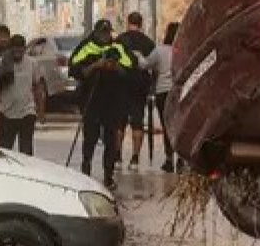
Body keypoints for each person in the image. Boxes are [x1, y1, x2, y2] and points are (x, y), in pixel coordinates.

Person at [69, 19, 136, 190]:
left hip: (112, 101)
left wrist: (115, 67)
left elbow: (131, 68)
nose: (106, 36)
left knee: (110, 140)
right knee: (90, 138)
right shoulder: (86, 47)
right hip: (91, 100)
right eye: (102, 33)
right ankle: (86, 170)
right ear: (96, 32)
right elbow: (74, 69)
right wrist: (95, 66)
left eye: (108, 33)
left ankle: (108, 175)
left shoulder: (118, 47)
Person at [0, 34, 45, 155]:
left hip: (27, 112)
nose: (17, 52)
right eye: (14, 49)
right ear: (10, 49)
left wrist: (41, 110)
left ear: (24, 49)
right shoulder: (1, 64)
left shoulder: (32, 63)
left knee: (26, 151)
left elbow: (37, 87)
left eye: (20, 49)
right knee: (5, 151)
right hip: (7, 113)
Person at [116, 12, 156, 170]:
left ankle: (117, 157)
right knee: (137, 123)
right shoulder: (148, 43)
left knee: (119, 123)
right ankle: (135, 158)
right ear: (141, 23)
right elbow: (153, 67)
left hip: (121, 86)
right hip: (140, 87)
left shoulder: (120, 40)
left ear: (128, 22)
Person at [144, 21, 182, 173]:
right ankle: (181, 158)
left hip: (162, 92)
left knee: (167, 126)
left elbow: (145, 64)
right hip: (179, 92)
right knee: (179, 125)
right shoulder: (183, 49)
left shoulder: (159, 51)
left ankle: (169, 159)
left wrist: (138, 56)